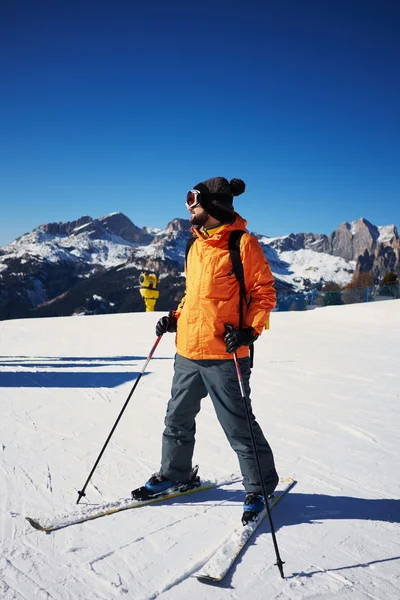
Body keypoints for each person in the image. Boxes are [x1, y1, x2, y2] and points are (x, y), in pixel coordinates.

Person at [132, 176, 278, 522]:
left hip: (225, 353)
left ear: (212, 206)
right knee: (177, 419)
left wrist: (248, 332)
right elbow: (195, 296)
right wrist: (176, 318)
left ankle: (261, 485)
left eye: (194, 203)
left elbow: (264, 294)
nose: (190, 210)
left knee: (238, 424)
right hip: (188, 351)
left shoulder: (243, 245)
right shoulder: (194, 245)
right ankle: (174, 475)